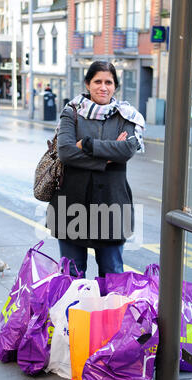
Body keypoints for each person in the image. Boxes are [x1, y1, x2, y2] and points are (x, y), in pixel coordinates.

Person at [46, 61, 145, 277]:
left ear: (115, 86)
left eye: (108, 82)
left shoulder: (126, 115)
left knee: (113, 277)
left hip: (112, 206)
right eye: (97, 81)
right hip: (72, 206)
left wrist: (88, 145)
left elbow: (127, 150)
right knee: (71, 278)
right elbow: (66, 152)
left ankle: (108, 314)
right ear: (87, 84)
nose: (103, 87)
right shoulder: (70, 112)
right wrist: (107, 159)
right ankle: (72, 312)